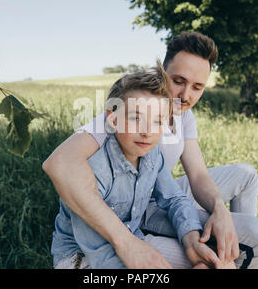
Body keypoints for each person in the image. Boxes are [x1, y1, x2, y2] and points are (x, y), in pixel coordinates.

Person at [43, 31, 258, 269]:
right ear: (163, 74)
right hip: (109, 237)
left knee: (245, 184)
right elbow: (60, 164)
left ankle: (234, 243)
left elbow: (190, 182)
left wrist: (215, 212)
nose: (185, 96)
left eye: (197, 87)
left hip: (145, 198)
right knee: (225, 258)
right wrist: (129, 244)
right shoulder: (120, 117)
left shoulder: (162, 140)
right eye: (179, 81)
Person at [52, 64, 234, 269]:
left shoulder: (151, 154)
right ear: (113, 119)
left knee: (220, 263)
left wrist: (190, 237)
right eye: (136, 118)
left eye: (157, 121)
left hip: (131, 238)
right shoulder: (95, 168)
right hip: (82, 257)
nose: (148, 132)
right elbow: (100, 253)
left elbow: (174, 198)